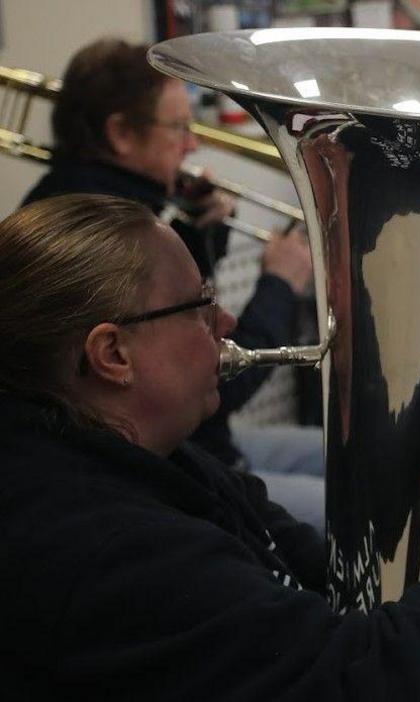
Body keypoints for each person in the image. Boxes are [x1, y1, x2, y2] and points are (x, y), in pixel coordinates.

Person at [0, 193, 420, 701]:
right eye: (200, 306)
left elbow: (338, 582)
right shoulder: (105, 551)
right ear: (113, 354)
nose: (225, 325)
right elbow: (395, 680)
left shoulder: (156, 463)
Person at [21, 38, 323, 525]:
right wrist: (280, 283)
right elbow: (217, 375)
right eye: (179, 127)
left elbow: (181, 341)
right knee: (358, 506)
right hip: (183, 465)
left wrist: (198, 235)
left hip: (203, 445)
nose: (192, 144)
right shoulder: (105, 232)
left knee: (360, 455)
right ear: (121, 133)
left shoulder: (111, 210)